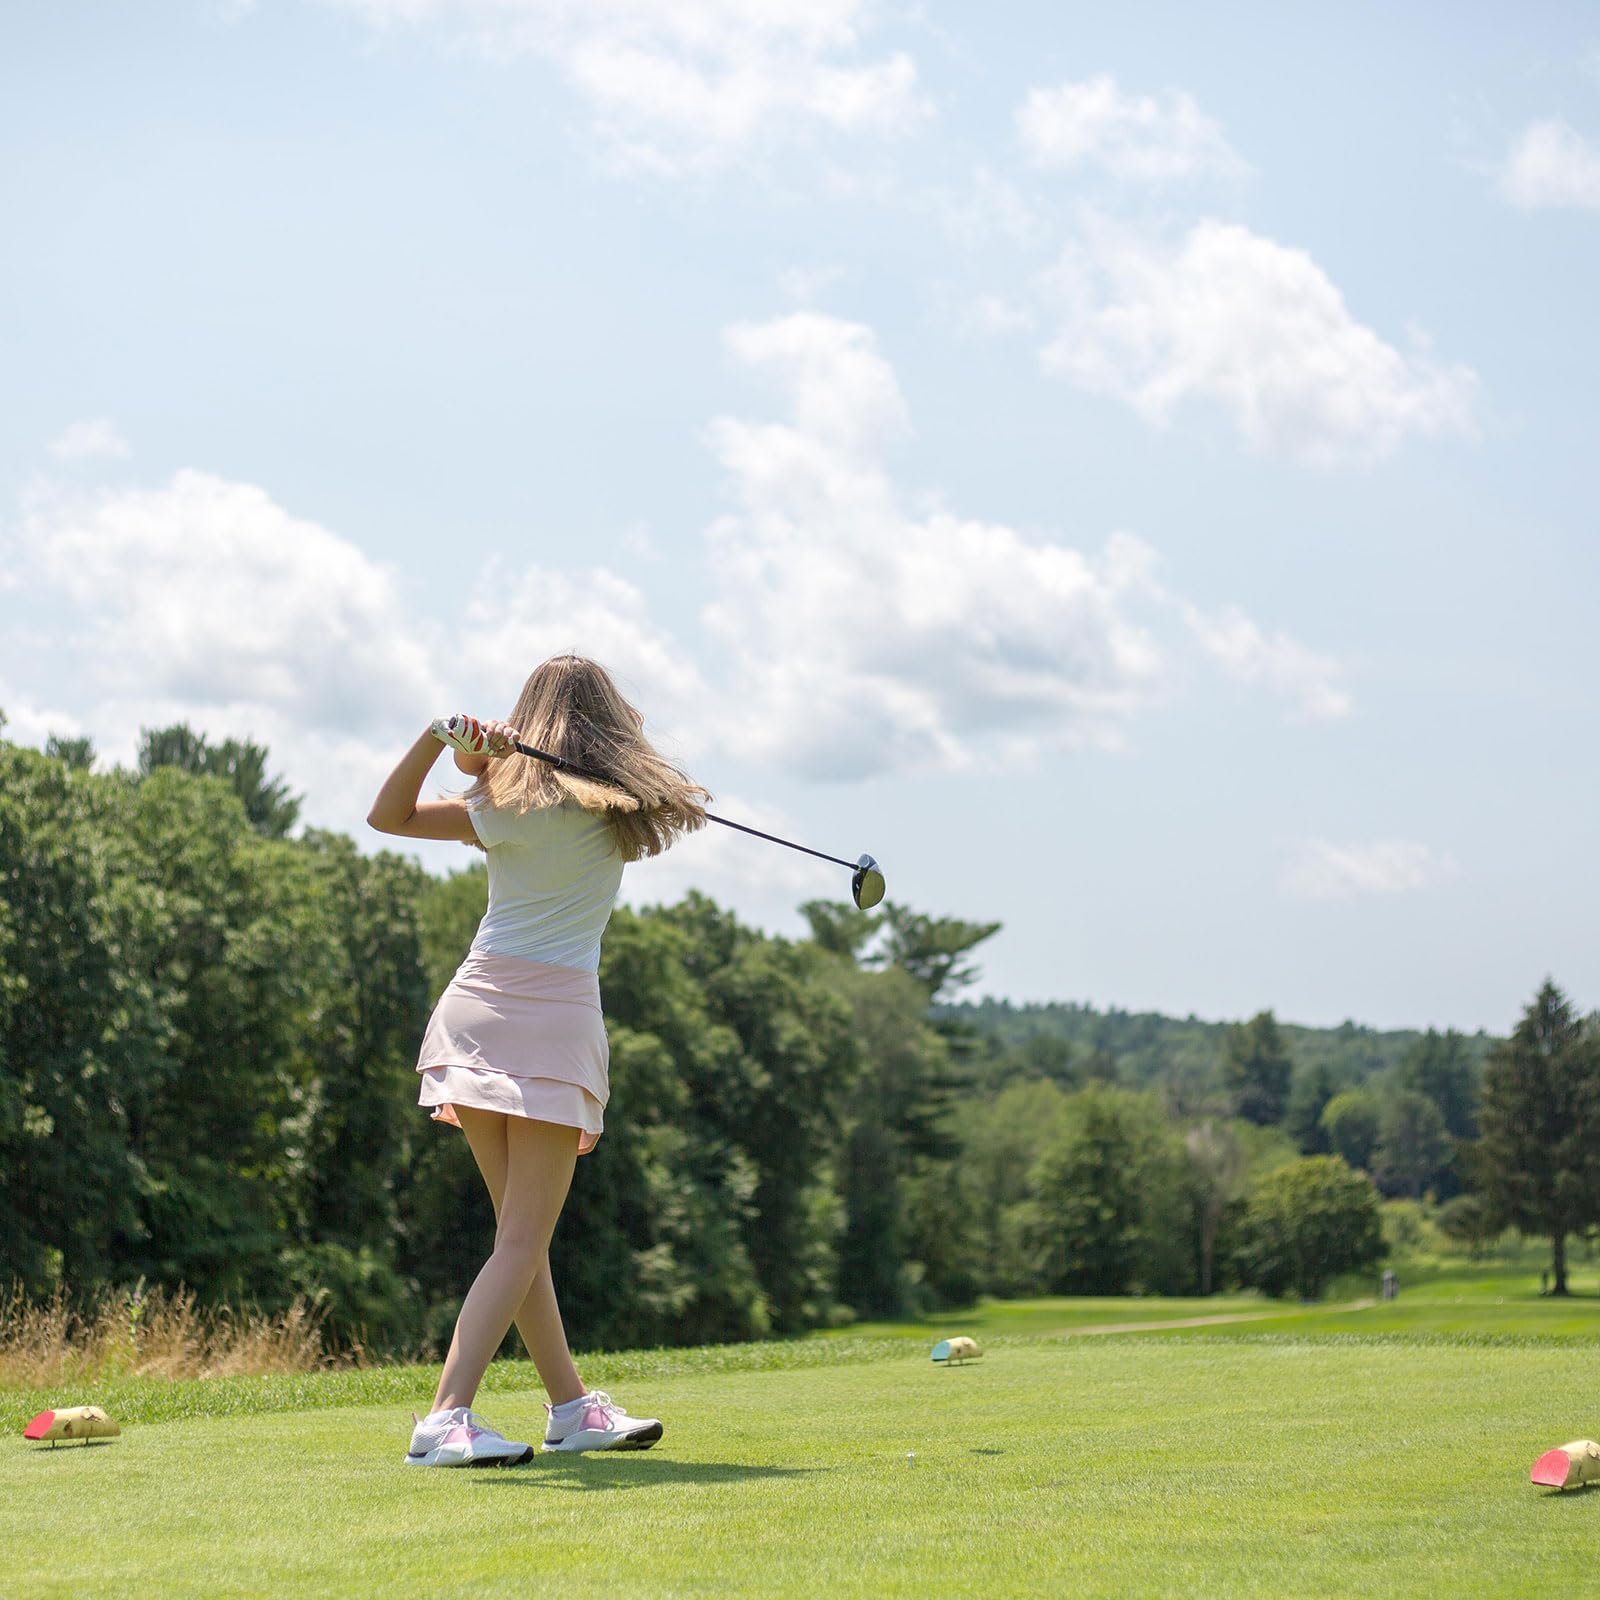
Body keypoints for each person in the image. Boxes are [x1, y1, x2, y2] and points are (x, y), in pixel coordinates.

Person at [366, 655, 708, 1467]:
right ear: (610, 725)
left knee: (522, 1239)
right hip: (554, 1025)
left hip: (475, 1015)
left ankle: (570, 1408)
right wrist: (482, 761)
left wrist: (448, 746)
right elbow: (659, 797)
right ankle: (445, 1419)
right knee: (521, 1239)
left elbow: (389, 817)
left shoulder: (501, 807)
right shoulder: (625, 812)